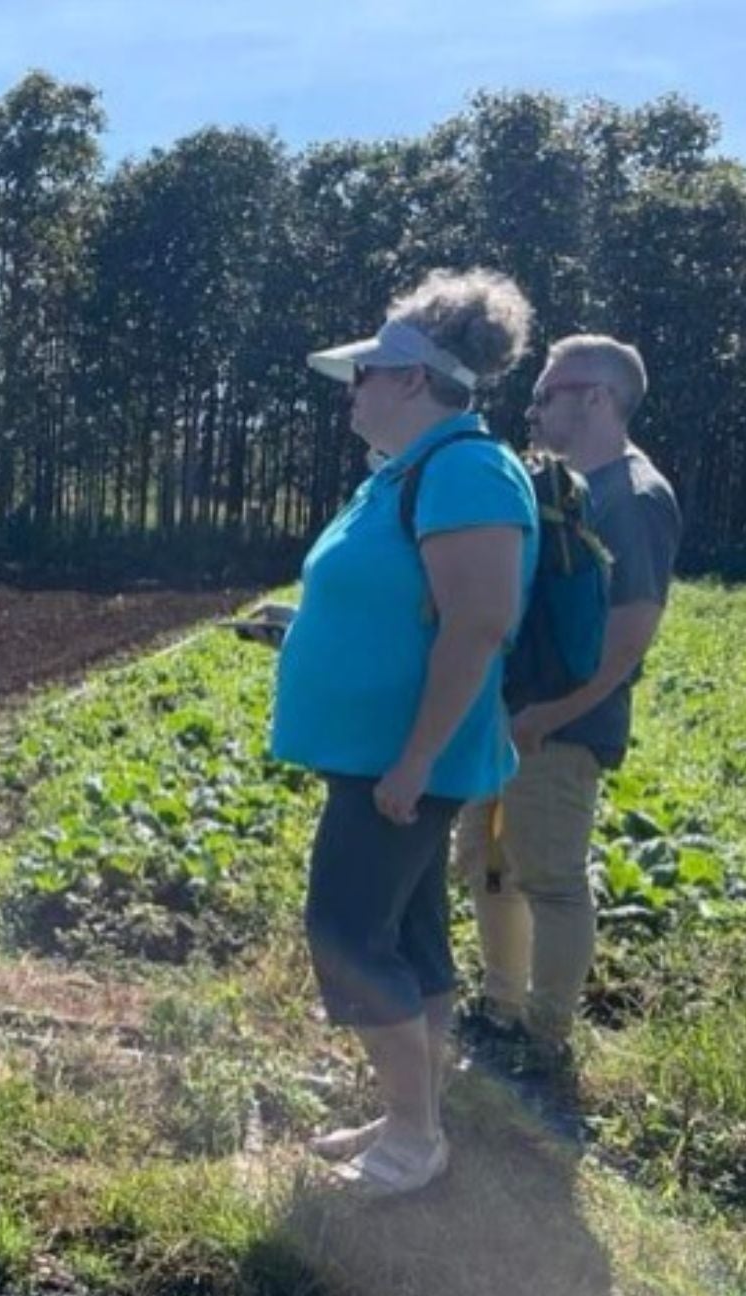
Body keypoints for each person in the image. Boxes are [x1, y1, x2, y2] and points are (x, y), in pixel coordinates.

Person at [269, 270, 541, 1197]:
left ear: (415, 381)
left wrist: (416, 759)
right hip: (387, 758)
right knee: (412, 938)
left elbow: (478, 621)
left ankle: (415, 1140)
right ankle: (407, 1119)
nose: (356, 389)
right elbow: (394, 601)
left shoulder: (466, 469)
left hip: (406, 762)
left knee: (345, 930)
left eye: (368, 373)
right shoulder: (415, 472)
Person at [456, 335, 681, 1062]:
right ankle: (499, 1003)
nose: (537, 405)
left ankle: (544, 1035)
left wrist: (545, 718)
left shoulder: (634, 496)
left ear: (598, 397)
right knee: (489, 864)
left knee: (549, 878)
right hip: (505, 719)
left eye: (549, 392)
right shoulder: (554, 484)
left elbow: (630, 635)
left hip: (557, 729)